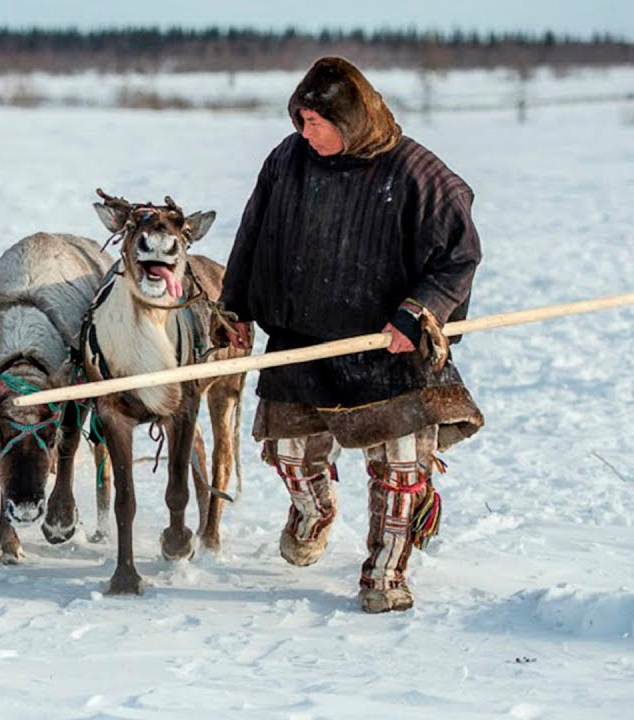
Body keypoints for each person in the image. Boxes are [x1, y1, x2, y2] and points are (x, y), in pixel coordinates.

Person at [219, 56, 485, 613]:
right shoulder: (287, 162)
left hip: (390, 348)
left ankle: (386, 572)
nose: (303, 132)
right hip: (301, 341)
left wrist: (418, 312)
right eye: (299, 120)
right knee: (288, 454)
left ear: (352, 119)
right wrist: (236, 308)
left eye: (315, 122)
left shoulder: (416, 173)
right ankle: (314, 510)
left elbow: (458, 254)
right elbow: (253, 233)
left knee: (401, 470)